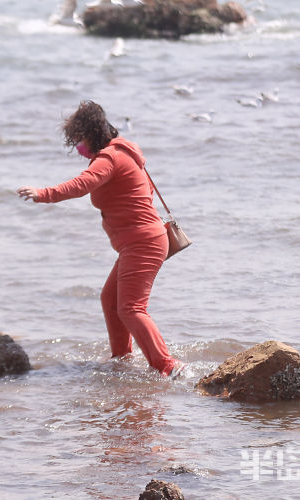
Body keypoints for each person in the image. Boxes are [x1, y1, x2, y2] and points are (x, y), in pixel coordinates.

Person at [16, 100, 186, 378]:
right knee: (111, 300)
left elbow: (81, 185)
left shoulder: (110, 158)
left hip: (143, 241)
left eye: (79, 139)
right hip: (141, 240)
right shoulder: (124, 152)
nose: (78, 147)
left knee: (131, 308)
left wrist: (42, 193)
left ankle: (168, 366)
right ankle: (122, 359)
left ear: (91, 134)